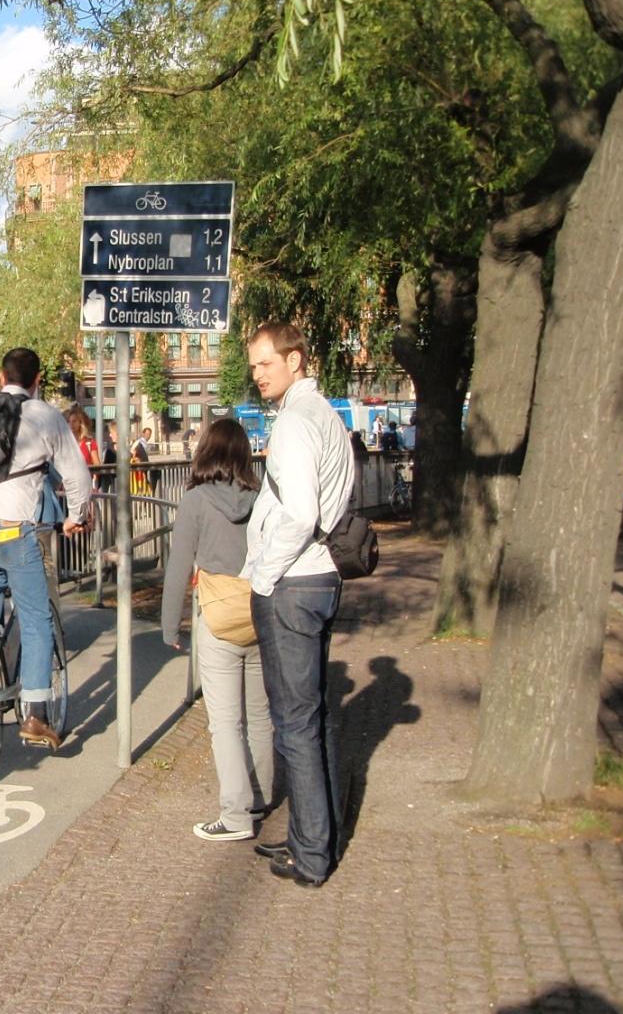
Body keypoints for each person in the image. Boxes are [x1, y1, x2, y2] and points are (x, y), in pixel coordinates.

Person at [243, 322, 355, 889]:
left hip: (293, 582)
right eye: (255, 365)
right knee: (316, 716)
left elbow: (300, 513)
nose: (258, 374)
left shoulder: (292, 423)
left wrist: (262, 577)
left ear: (295, 359)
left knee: (295, 723)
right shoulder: (327, 416)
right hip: (322, 577)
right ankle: (320, 834)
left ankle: (312, 853)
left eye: (267, 363)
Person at [0, 347, 92, 751]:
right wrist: (76, 516)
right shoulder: (45, 414)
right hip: (11, 531)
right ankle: (35, 715)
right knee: (36, 618)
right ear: (38, 378)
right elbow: (78, 477)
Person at [161, 418, 269, 842]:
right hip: (259, 612)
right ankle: (259, 794)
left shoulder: (195, 501)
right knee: (260, 715)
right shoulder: (261, 498)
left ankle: (236, 814)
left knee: (225, 721)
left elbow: (178, 566)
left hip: (217, 616)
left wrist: (171, 624)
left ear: (205, 451)